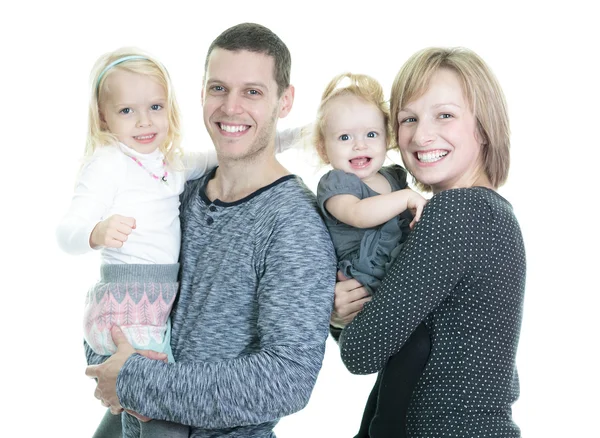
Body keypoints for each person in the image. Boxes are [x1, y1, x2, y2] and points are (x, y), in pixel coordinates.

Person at [84, 22, 337, 438]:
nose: (231, 108)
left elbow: (286, 379)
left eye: (252, 92)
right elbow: (118, 292)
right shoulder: (174, 189)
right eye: (219, 88)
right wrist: (110, 360)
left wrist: (135, 381)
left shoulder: (293, 224)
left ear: (285, 100)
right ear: (201, 93)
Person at [331, 47, 526, 437]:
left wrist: (335, 315)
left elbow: (362, 351)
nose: (421, 135)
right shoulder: (489, 213)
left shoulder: (459, 211)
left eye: (445, 115)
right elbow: (391, 338)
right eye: (408, 119)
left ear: (484, 127)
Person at [312, 72, 430, 438]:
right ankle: (382, 428)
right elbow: (359, 214)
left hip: (393, 293)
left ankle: (372, 429)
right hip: (360, 298)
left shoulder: (395, 177)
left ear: (387, 137)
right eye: (344, 137)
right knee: (408, 356)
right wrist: (410, 199)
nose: (358, 145)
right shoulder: (338, 184)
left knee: (405, 368)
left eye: (370, 134)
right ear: (323, 148)